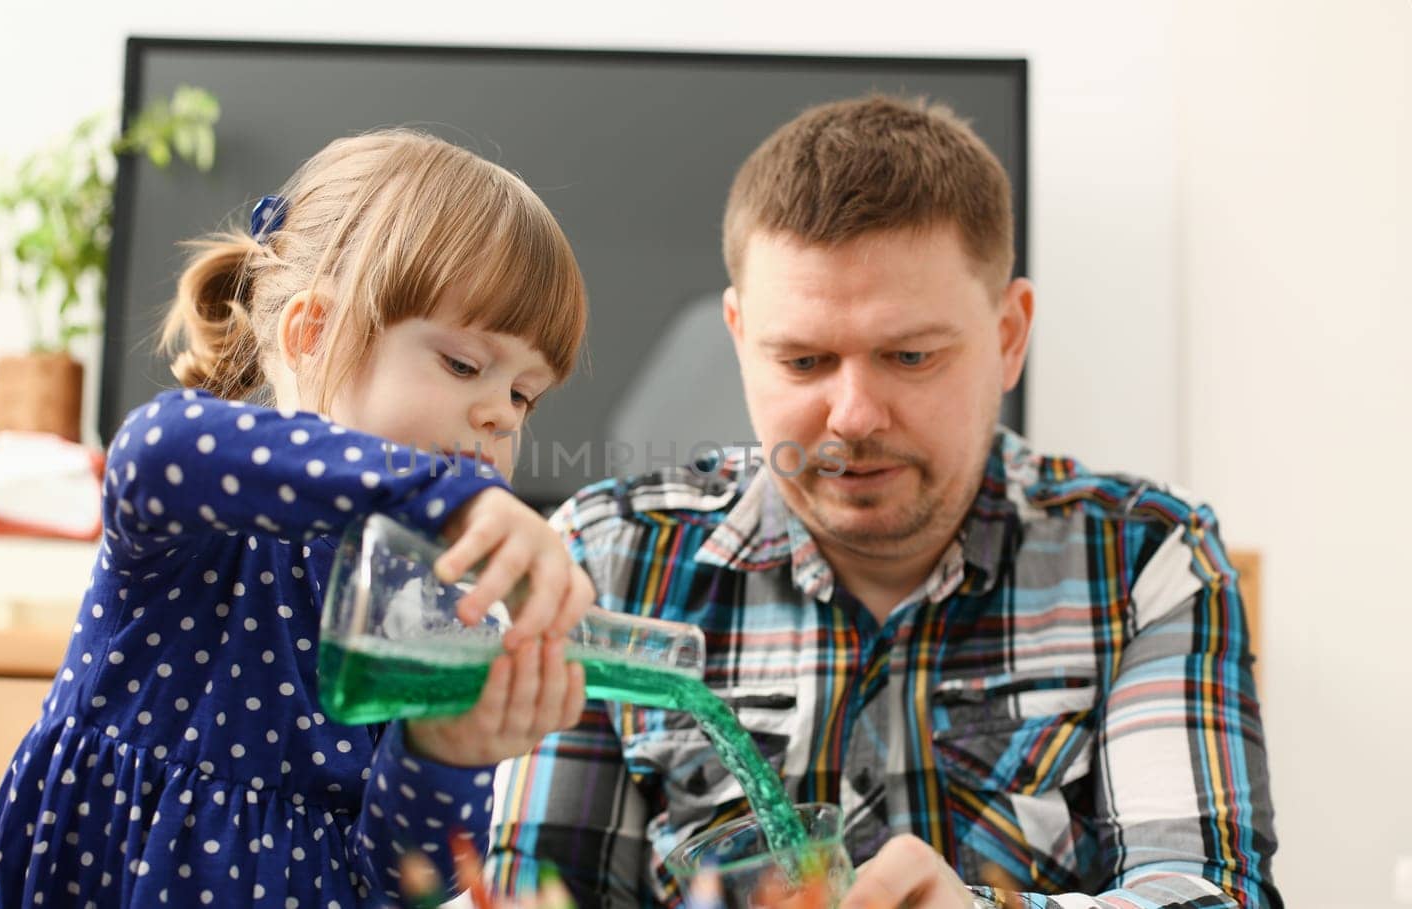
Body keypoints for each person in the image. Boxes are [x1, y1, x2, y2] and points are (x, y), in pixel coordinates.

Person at [489, 95, 1280, 908]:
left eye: (910, 355)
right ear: (739, 339)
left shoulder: (1145, 559)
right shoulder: (607, 558)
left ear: (1010, 335)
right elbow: (530, 895)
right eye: (802, 361)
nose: (855, 416)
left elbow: (1206, 891)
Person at [0, 129, 596, 908]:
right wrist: (439, 493)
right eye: (466, 365)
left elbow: (396, 880)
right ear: (310, 333)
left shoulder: (419, 605)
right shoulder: (207, 516)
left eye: (523, 396)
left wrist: (451, 751)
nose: (497, 416)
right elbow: (154, 446)